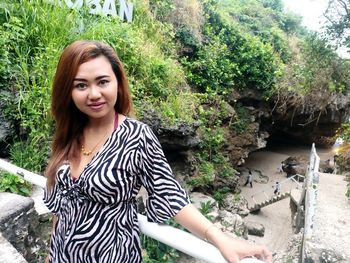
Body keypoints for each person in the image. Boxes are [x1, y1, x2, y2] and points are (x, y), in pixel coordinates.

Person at [43, 40, 272, 263]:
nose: (93, 94)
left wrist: (220, 238)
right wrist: (51, 255)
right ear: (69, 91)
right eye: (81, 85)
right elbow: (61, 209)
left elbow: (169, 194)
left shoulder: (136, 136)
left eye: (102, 82)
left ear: (118, 83)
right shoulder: (70, 133)